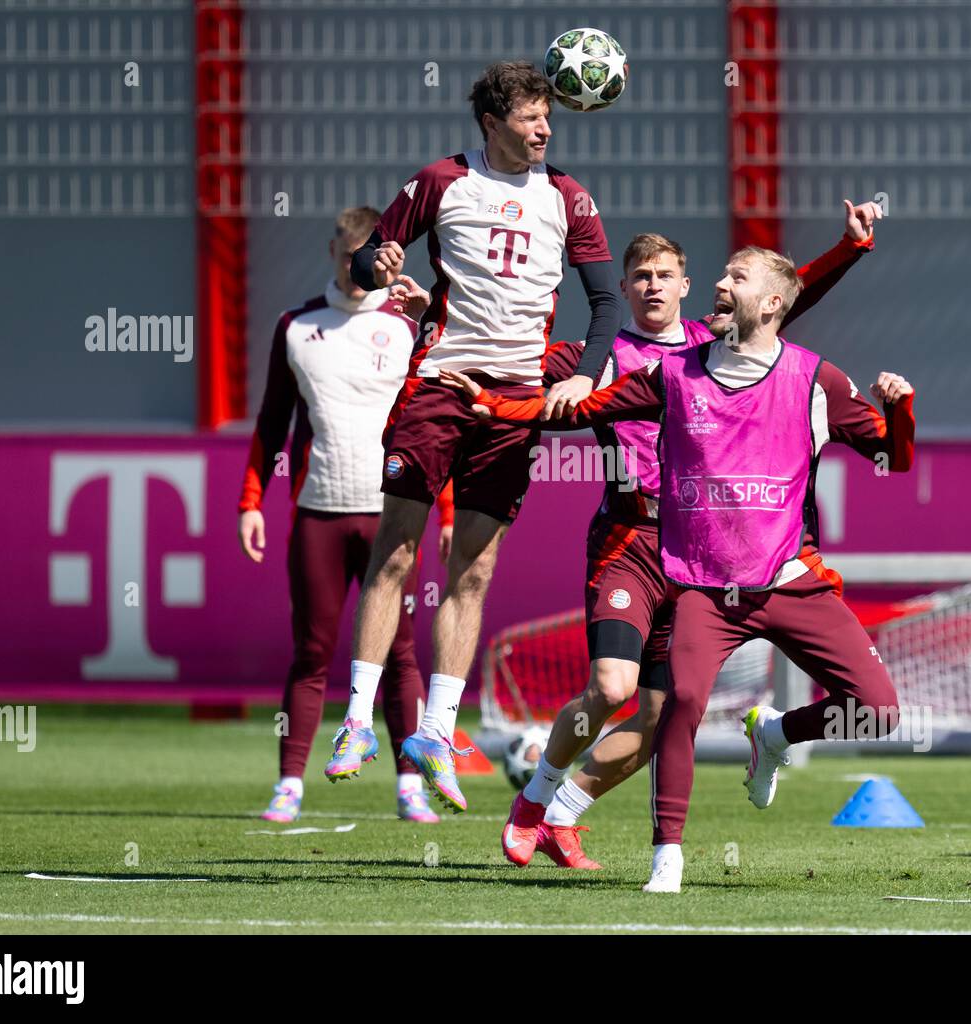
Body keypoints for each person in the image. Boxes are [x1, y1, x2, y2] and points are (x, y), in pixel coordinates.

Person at [442, 244, 914, 892]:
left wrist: (854, 251)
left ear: (685, 285)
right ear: (622, 291)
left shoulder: (717, 342)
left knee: (663, 710)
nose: (653, 285)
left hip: (720, 549)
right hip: (634, 542)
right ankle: (549, 804)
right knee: (615, 688)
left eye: (666, 274)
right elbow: (533, 380)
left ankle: (565, 812)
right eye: (639, 276)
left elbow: (788, 290)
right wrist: (467, 375)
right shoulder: (607, 358)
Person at [323, 62, 622, 814]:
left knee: (475, 569)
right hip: (439, 386)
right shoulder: (440, 182)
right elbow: (368, 264)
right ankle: (357, 720)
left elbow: (607, 304)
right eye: (529, 118)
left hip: (516, 402)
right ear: (492, 123)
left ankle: (436, 731)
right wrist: (376, 261)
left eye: (547, 117)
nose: (545, 128)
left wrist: (583, 376)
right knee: (395, 548)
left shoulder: (570, 198)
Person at [238, 206, 452, 825]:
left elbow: (442, 426)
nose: (357, 262)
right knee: (312, 651)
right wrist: (250, 500)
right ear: (335, 249)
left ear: (389, 258)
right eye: (349, 250)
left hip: (394, 513)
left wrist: (444, 515)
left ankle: (409, 783)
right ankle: (288, 784)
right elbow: (271, 422)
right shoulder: (297, 326)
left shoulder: (410, 323)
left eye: (372, 253)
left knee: (401, 652)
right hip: (319, 513)